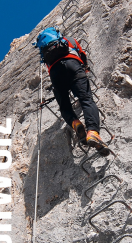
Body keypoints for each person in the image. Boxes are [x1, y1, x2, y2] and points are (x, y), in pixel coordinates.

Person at [35, 27, 110, 156]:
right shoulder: (69, 40)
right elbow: (82, 54)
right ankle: (93, 132)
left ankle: (76, 123)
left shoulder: (45, 51)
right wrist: (85, 68)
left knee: (65, 107)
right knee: (86, 100)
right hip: (73, 65)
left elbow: (48, 65)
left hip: (55, 73)